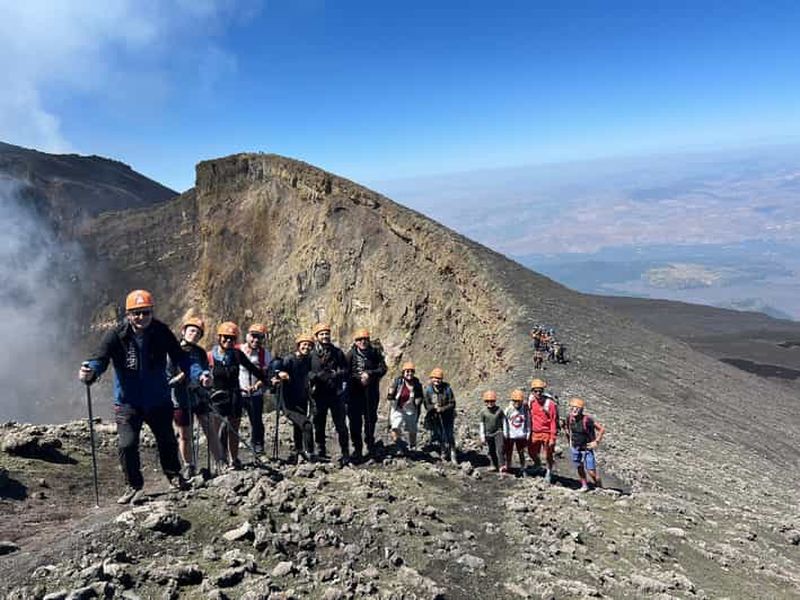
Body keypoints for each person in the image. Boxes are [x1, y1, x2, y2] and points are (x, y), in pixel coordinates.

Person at [78, 290, 205, 504]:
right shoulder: (116, 335)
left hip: (159, 400)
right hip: (128, 401)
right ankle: (133, 486)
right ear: (128, 314)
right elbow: (99, 359)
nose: (141, 317)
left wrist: (199, 374)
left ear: (151, 312)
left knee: (166, 440)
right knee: (127, 444)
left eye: (145, 313)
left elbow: (181, 358)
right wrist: (90, 371)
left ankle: (174, 476)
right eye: (136, 313)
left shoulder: (161, 332)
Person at [207, 321, 268, 470]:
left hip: (234, 396)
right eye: (225, 338)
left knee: (233, 430)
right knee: (217, 431)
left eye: (232, 339)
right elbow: (200, 371)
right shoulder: (209, 356)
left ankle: (234, 459)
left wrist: (268, 380)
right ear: (219, 337)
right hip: (217, 397)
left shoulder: (237, 354)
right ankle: (220, 461)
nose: (228, 341)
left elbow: (253, 369)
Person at [167, 317, 221, 478]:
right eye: (192, 331)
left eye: (198, 333)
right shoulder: (171, 352)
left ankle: (220, 462)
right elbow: (167, 379)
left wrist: (206, 378)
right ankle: (189, 465)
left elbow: (204, 369)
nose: (194, 334)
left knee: (210, 429)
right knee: (184, 435)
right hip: (180, 399)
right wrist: (180, 378)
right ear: (183, 331)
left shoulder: (200, 352)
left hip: (199, 396)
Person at [308, 323, 351, 466]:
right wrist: (316, 376)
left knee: (341, 425)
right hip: (318, 394)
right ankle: (321, 451)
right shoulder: (311, 354)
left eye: (327, 333)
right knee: (319, 424)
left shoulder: (337, 352)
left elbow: (346, 370)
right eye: (322, 334)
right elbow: (306, 372)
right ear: (316, 337)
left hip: (335, 394)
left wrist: (336, 374)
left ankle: (345, 452)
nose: (325, 336)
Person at [345, 328, 388, 459]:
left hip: (371, 393)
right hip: (354, 393)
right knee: (355, 421)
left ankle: (370, 444)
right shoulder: (350, 355)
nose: (362, 342)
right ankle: (357, 448)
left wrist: (370, 373)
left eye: (365, 339)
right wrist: (358, 378)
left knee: (371, 419)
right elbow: (345, 373)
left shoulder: (375, 353)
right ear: (356, 342)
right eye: (359, 340)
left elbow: (383, 368)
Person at [277, 333, 316, 462]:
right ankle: (309, 453)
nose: (307, 347)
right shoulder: (289, 359)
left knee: (299, 428)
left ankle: (299, 452)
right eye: (304, 344)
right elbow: (277, 369)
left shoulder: (308, 360)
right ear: (299, 345)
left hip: (302, 399)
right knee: (306, 425)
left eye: (309, 345)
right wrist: (280, 374)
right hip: (289, 402)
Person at [239, 323, 272, 454]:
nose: (256, 340)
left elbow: (266, 375)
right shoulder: (237, 350)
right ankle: (225, 452)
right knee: (229, 422)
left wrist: (256, 386)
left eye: (260, 337)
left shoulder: (265, 354)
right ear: (247, 335)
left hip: (255, 393)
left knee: (257, 421)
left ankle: (258, 448)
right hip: (237, 393)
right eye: (253, 336)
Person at [566, 397, 606, 492]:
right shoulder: (569, 418)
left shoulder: (587, 420)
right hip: (576, 447)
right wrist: (570, 443)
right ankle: (584, 485)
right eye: (572, 407)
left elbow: (601, 429)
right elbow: (567, 430)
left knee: (591, 471)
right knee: (579, 467)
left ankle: (599, 486)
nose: (574, 410)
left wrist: (596, 441)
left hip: (587, 448)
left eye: (577, 408)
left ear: (581, 410)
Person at [386, 361, 424, 455]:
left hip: (411, 408)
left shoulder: (417, 383)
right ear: (403, 373)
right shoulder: (398, 381)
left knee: (412, 429)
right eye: (407, 371)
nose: (409, 373)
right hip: (398, 407)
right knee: (395, 425)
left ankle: (412, 447)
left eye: (411, 371)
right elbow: (391, 390)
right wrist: (390, 395)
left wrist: (418, 400)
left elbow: (420, 395)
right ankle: (398, 444)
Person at [423, 367, 457, 464]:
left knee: (449, 434)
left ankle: (453, 454)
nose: (437, 380)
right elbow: (426, 405)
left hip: (448, 416)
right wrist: (433, 407)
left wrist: (442, 409)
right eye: (435, 378)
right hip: (435, 417)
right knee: (440, 434)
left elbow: (452, 403)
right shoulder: (428, 390)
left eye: (439, 378)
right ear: (431, 379)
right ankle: (443, 452)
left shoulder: (447, 389)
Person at [528, 378, 558, 483]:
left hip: (547, 433)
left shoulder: (550, 404)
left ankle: (549, 472)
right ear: (532, 391)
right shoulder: (531, 402)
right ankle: (537, 465)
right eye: (535, 391)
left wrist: (552, 438)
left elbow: (553, 421)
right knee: (531, 451)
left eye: (540, 390)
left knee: (548, 454)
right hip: (535, 432)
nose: (538, 393)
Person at [503, 389, 529, 474]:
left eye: (519, 401)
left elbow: (528, 421)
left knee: (521, 452)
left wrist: (528, 432)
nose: (517, 403)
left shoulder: (525, 410)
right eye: (515, 401)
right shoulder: (508, 410)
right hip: (510, 435)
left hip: (521, 435)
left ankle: (523, 467)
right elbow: (504, 422)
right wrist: (505, 433)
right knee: (508, 452)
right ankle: (508, 466)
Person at [478, 390, 505, 472]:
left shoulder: (499, 410)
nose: (490, 403)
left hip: (498, 432)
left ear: (495, 401)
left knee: (500, 449)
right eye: (488, 401)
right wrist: (482, 436)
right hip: (488, 434)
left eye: (492, 401)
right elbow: (482, 424)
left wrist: (506, 432)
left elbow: (504, 421)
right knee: (491, 450)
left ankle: (502, 466)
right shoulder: (483, 412)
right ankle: (493, 465)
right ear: (485, 402)